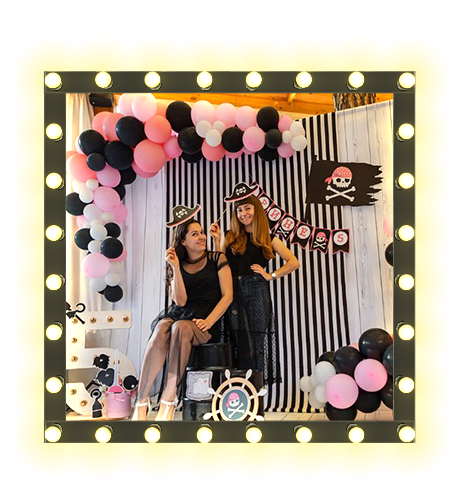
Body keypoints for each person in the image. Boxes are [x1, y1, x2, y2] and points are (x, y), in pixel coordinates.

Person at [133, 206, 232, 421]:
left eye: (202, 232)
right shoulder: (176, 263)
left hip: (204, 321)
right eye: (194, 234)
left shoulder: (217, 258)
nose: (202, 237)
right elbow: (180, 301)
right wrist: (176, 268)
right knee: (162, 327)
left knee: (180, 327)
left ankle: (168, 398)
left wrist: (209, 321)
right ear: (184, 241)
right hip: (180, 314)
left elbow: (227, 296)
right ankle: (142, 400)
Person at [210, 183, 300, 386]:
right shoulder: (230, 236)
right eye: (239, 210)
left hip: (257, 291)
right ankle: (237, 388)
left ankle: (256, 389)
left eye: (247, 208)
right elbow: (221, 263)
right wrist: (217, 240)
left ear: (256, 210)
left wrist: (271, 275)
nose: (243, 213)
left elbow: (294, 262)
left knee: (258, 342)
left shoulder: (268, 238)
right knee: (237, 340)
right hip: (232, 291)